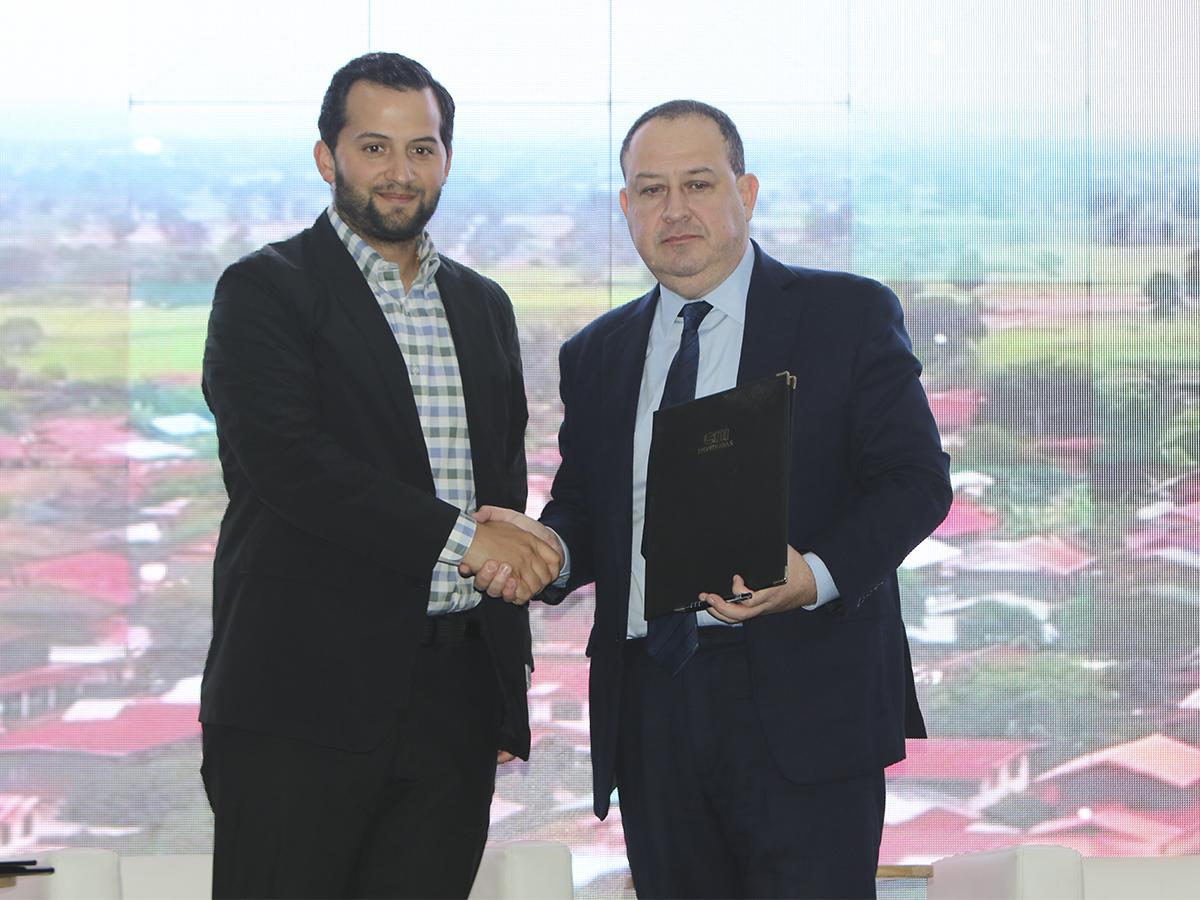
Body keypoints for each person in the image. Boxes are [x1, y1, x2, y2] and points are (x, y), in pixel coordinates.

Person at [473, 101, 953, 898]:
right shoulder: (597, 353)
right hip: (651, 706)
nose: (675, 210)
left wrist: (814, 574)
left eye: (697, 183)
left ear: (746, 192)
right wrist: (548, 551)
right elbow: (588, 507)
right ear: (626, 207)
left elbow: (916, 480)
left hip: (806, 698)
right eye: (651, 190)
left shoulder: (845, 314)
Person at [199, 52, 561, 899]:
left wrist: (501, 687)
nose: (401, 172)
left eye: (422, 149)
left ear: (446, 160)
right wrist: (467, 541)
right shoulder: (263, 291)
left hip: (454, 704)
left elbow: (500, 488)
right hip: (298, 704)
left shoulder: (483, 304)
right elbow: (290, 466)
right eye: (374, 147)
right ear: (326, 158)